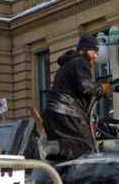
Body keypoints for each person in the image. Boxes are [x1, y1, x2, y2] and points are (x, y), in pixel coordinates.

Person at [42, 33, 112, 161]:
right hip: (67, 113)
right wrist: (102, 88)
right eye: (93, 51)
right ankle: (51, 148)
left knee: (65, 157)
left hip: (52, 114)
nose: (95, 56)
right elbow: (85, 86)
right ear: (83, 50)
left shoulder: (65, 66)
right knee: (86, 148)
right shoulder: (80, 62)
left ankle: (60, 175)